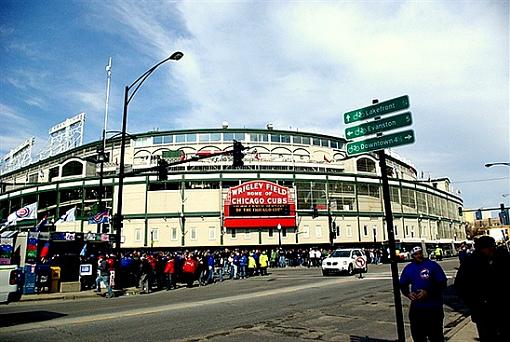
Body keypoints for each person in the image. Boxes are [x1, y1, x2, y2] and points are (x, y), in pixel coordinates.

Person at [454, 235, 510, 342]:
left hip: (499, 308)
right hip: (483, 310)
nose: (492, 250)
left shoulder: (499, 259)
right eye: (491, 247)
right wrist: (474, 303)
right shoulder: (471, 262)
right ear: (485, 248)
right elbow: (461, 286)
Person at [399, 246, 447, 342]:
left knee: (436, 336)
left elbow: (442, 283)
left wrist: (428, 292)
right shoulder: (409, 268)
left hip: (434, 308)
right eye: (416, 254)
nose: (419, 256)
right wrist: (408, 293)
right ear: (412, 256)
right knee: (418, 336)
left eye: (420, 253)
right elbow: (402, 284)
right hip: (417, 309)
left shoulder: (433, 265)